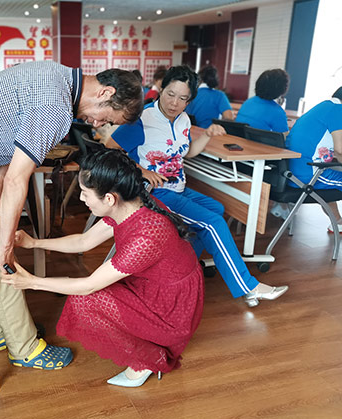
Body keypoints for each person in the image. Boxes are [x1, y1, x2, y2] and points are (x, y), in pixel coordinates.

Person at [0, 60, 143, 371]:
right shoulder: (55, 108)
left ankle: (0, 332)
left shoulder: (56, 75)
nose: (96, 124)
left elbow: (9, 129)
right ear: (106, 93)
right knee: (1, 260)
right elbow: (18, 180)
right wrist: (6, 246)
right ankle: (24, 349)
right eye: (106, 118)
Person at [2, 149, 204, 387]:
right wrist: (34, 243)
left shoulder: (147, 235)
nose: (81, 199)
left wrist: (31, 282)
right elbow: (84, 241)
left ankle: (148, 360)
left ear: (109, 198)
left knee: (84, 300)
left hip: (170, 307)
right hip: (154, 284)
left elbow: (88, 286)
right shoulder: (129, 205)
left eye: (85, 193)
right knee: (89, 294)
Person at [109, 65, 288, 308]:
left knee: (216, 209)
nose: (174, 103)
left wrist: (207, 135)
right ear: (161, 88)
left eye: (182, 98)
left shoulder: (183, 119)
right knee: (212, 223)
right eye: (170, 94)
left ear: (189, 100)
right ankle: (248, 287)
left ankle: (180, 268)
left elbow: (188, 152)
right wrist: (142, 171)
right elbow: (110, 150)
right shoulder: (143, 118)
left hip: (177, 188)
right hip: (152, 193)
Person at [286, 86, 342, 232]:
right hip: (309, 174)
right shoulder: (338, 110)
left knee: (332, 177)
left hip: (292, 172)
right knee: (331, 175)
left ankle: (338, 222)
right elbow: (340, 150)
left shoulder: (324, 107)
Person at [236, 69, 290, 134]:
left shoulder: (247, 103)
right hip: (257, 140)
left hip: (238, 139)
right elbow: (285, 138)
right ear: (281, 89)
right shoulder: (278, 112)